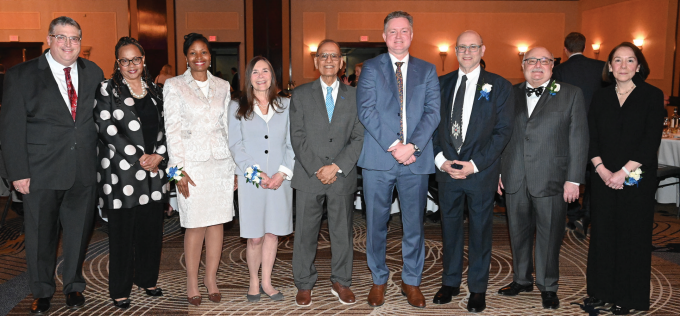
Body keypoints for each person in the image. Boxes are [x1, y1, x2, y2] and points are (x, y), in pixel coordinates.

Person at [0, 16, 105, 314]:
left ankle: (73, 285)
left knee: (78, 234)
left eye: (75, 38)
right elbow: (10, 128)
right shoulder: (21, 74)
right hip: (39, 172)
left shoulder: (94, 71)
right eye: (62, 37)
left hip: (84, 170)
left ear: (81, 43)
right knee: (40, 236)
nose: (68, 44)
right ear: (49, 39)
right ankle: (42, 290)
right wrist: (17, 173)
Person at [357, 11, 440, 309]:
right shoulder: (370, 68)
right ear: (384, 36)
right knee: (376, 224)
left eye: (404, 30)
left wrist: (413, 146)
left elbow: (433, 113)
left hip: (415, 161)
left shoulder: (427, 70)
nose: (398, 36)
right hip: (379, 158)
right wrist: (395, 145)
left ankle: (412, 280)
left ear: (412, 34)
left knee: (414, 225)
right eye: (392, 31)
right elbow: (366, 111)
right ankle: (378, 279)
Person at [497, 47, 588, 309]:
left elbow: (579, 138)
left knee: (550, 235)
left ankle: (548, 286)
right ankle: (521, 279)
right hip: (514, 175)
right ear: (523, 65)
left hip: (552, 178)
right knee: (518, 233)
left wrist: (574, 179)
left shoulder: (571, 93)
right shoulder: (509, 94)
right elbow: (502, 135)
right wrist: (499, 172)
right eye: (531, 61)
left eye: (544, 61)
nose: (537, 65)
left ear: (553, 65)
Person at [431, 30, 514, 313]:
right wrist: (440, 160)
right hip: (447, 171)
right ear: (455, 50)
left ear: (483, 49)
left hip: (480, 172)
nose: (467, 52)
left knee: (480, 231)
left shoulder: (500, 86)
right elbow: (429, 126)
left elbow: (503, 132)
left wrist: (475, 164)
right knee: (449, 228)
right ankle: (450, 282)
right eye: (462, 47)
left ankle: (477, 288)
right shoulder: (440, 83)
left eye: (473, 47)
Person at [583, 42, 665, 315]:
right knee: (603, 235)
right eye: (617, 60)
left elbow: (649, 140)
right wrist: (602, 169)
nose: (623, 66)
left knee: (632, 237)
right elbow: (591, 137)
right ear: (609, 66)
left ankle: (627, 297)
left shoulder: (652, 95)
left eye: (630, 61)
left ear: (639, 66)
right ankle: (601, 291)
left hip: (636, 178)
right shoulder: (600, 96)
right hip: (602, 176)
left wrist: (622, 172)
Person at [94, 36, 168, 309]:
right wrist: (140, 158)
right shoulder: (107, 90)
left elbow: (166, 128)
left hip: (153, 174)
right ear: (118, 63)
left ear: (143, 59)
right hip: (120, 175)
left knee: (151, 231)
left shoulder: (156, 91)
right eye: (124, 60)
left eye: (135, 59)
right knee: (123, 235)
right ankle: (120, 288)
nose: (131, 65)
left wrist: (159, 155)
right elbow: (107, 130)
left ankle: (147, 279)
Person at [289, 39, 364, 307]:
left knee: (342, 231)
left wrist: (337, 166)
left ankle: (341, 281)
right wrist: (317, 168)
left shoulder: (355, 95)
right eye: (323, 56)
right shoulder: (300, 94)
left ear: (342, 62)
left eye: (334, 56)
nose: (329, 60)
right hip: (309, 175)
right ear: (315, 61)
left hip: (341, 175)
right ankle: (304, 283)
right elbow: (297, 137)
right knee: (305, 233)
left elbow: (358, 136)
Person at [163, 33, 236, 306]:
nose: (199, 58)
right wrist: (176, 171)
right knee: (194, 225)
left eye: (203, 52)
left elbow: (229, 129)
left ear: (210, 56)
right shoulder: (173, 85)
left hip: (220, 164)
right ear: (185, 57)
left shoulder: (223, 85)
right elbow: (171, 130)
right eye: (193, 53)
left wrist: (235, 168)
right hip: (190, 166)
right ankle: (192, 280)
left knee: (217, 223)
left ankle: (211, 278)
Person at [228, 56, 294, 303]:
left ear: (272, 76)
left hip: (280, 181)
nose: (261, 75)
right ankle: (253, 280)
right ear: (249, 77)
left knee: (273, 234)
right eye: (255, 71)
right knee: (255, 236)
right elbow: (236, 145)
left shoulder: (286, 105)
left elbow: (292, 143)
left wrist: (281, 173)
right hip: (251, 181)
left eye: (266, 70)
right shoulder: (237, 107)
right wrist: (256, 173)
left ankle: (267, 281)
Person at [552, 32, 607, 238]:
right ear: (584, 47)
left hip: (569, 131)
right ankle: (588, 215)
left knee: (571, 174)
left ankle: (573, 215)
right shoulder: (601, 67)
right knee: (596, 173)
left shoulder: (559, 70)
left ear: (565, 50)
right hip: (598, 129)